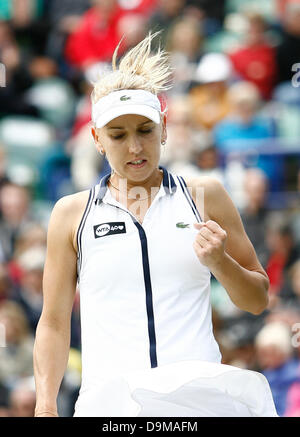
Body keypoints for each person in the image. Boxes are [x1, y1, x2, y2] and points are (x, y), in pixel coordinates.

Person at [33, 32, 277, 417]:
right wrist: (45, 407)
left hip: (198, 404)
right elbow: (53, 323)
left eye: (145, 131)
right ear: (97, 139)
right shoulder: (71, 214)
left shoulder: (205, 196)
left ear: (164, 127)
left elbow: (258, 300)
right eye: (118, 135)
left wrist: (220, 264)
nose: (134, 147)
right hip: (111, 407)